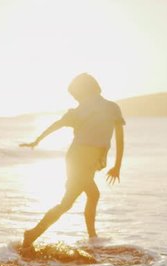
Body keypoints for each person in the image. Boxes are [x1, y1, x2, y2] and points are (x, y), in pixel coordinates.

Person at [20, 73, 125, 255]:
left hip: (81, 158)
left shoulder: (84, 110)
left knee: (88, 196)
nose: (75, 98)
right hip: (81, 159)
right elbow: (120, 139)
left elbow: (56, 125)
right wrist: (117, 165)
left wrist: (37, 140)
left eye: (76, 94)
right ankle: (32, 235)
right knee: (74, 200)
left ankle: (92, 238)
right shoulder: (110, 107)